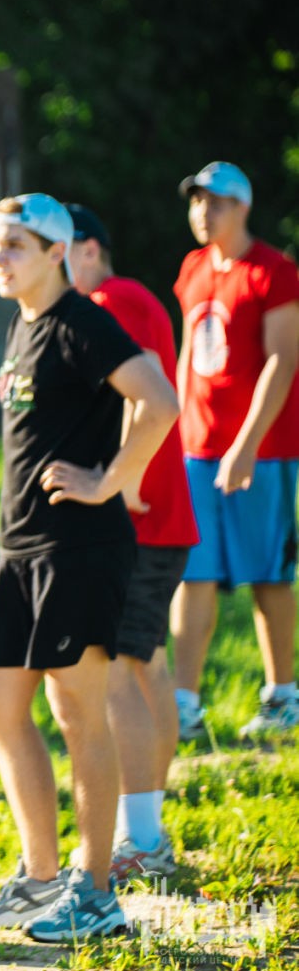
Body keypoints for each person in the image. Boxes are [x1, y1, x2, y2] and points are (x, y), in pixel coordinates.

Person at [0, 194, 177, 942]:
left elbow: (159, 399)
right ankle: (40, 879)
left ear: (57, 251)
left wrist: (112, 479)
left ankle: (95, 895)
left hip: (77, 549)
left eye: (14, 245)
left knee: (77, 711)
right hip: (20, 549)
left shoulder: (81, 322)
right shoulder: (22, 324)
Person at [66, 204, 199, 880]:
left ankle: (142, 839)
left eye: (59, 247)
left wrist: (124, 480)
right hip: (162, 517)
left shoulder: (111, 298)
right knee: (146, 667)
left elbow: (143, 384)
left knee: (117, 668)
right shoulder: (127, 297)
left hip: (142, 516)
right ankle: (146, 824)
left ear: (89, 249)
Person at [168, 162, 299, 739]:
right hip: (197, 449)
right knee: (192, 573)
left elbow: (284, 360)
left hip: (262, 451)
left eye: (216, 202)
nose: (204, 212)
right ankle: (184, 706)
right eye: (198, 202)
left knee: (267, 573)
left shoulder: (273, 270)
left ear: (243, 207)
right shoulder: (193, 268)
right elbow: (186, 355)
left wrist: (245, 445)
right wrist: (173, 433)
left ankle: (282, 698)